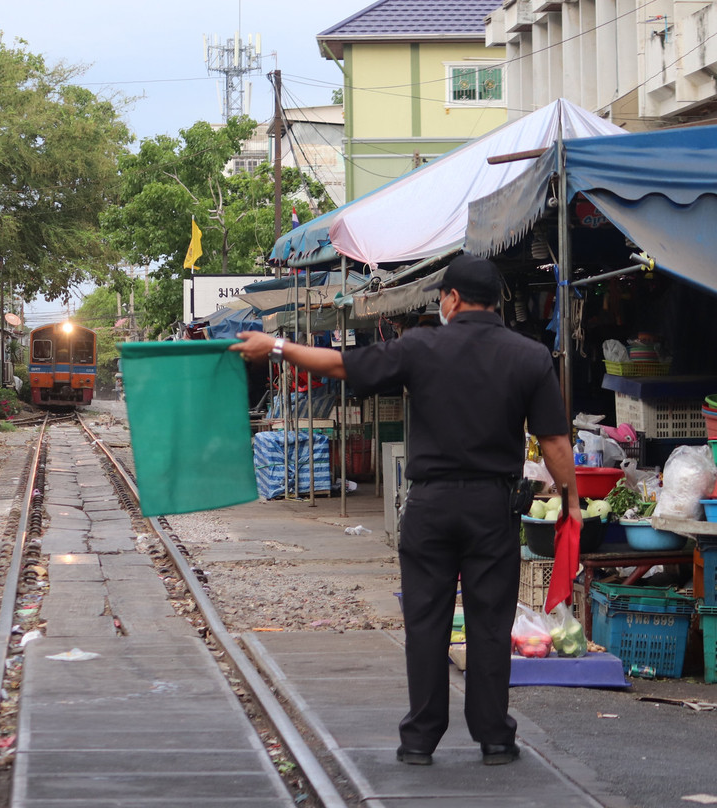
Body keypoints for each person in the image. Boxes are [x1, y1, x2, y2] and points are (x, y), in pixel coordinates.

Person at [231, 254, 580, 767]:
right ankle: (494, 738)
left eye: (442, 298)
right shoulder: (529, 356)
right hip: (492, 507)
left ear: (452, 299)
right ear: (496, 303)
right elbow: (554, 441)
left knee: (426, 620)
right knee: (489, 622)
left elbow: (341, 366)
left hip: (431, 505)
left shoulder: (421, 346)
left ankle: (420, 739)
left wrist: (277, 346)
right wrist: (571, 500)